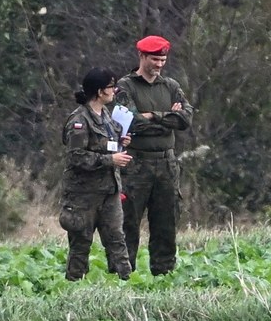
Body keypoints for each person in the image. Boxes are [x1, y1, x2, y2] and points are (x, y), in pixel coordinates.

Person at [115, 35, 193, 276]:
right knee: (129, 223)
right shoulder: (125, 86)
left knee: (166, 222)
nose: (159, 65)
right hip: (136, 163)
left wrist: (153, 116)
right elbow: (129, 122)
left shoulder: (171, 86)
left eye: (163, 59)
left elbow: (185, 119)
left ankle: (163, 273)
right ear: (142, 56)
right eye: (154, 59)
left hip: (166, 164)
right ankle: (124, 274)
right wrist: (166, 117)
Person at [59, 68, 134, 281]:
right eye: (111, 87)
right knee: (81, 245)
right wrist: (111, 160)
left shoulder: (106, 115)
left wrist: (120, 143)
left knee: (117, 240)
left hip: (109, 191)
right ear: (100, 91)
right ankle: (74, 286)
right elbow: (76, 157)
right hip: (83, 195)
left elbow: (104, 143)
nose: (115, 91)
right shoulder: (79, 120)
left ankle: (125, 283)